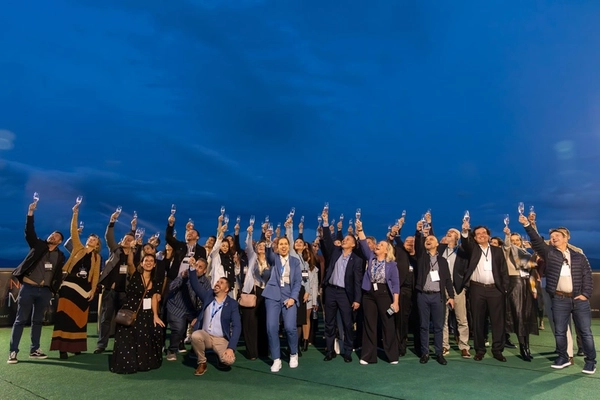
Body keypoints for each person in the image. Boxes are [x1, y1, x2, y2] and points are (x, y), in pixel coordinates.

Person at [521, 215, 596, 374]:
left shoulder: (579, 256)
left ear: (566, 238)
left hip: (578, 300)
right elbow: (537, 241)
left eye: (557, 236)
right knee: (560, 330)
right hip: (559, 298)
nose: (553, 238)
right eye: (551, 237)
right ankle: (563, 357)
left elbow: (588, 276)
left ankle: (590, 361)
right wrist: (528, 224)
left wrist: (586, 294)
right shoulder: (550, 254)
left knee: (585, 331)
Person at [8, 201, 65, 364]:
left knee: (38, 320)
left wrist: (53, 290)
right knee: (20, 320)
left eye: (56, 236)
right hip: (28, 288)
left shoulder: (60, 255)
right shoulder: (38, 244)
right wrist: (30, 213)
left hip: (44, 291)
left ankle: (35, 349)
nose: (53, 237)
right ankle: (13, 352)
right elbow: (29, 232)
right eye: (52, 234)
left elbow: (57, 274)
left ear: (60, 242)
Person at [50, 203, 101, 358]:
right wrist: (75, 213)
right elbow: (73, 230)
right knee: (64, 317)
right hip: (69, 285)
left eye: (94, 240)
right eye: (90, 238)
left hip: (84, 289)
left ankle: (76, 346)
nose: (91, 240)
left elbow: (95, 275)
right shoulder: (78, 248)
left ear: (97, 245)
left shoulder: (97, 257)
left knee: (79, 319)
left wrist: (92, 290)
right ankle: (62, 348)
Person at [458, 220, 509, 362]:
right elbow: (465, 243)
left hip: (495, 290)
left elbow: (504, 271)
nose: (481, 235)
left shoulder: (497, 251)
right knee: (478, 321)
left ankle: (497, 350)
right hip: (477, 289)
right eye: (478, 234)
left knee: (498, 322)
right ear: (474, 237)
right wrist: (465, 231)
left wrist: (504, 289)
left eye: (484, 233)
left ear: (488, 235)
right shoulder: (472, 248)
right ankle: (479, 350)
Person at [110, 253, 165, 374]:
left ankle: (142, 364)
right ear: (141, 263)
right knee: (128, 336)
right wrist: (133, 246)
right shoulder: (135, 274)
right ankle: (128, 363)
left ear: (155, 264)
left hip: (146, 312)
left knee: (148, 334)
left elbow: (154, 298)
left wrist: (155, 316)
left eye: (151, 260)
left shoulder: (156, 280)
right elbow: (130, 262)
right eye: (146, 260)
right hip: (131, 310)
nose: (149, 262)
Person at [355, 219, 400, 365]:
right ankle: (368, 356)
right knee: (369, 323)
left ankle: (392, 356)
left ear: (387, 250)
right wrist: (360, 229)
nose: (378, 246)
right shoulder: (371, 257)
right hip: (369, 294)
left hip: (385, 294)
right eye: (378, 244)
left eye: (381, 245)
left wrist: (396, 302)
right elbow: (363, 243)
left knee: (388, 323)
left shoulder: (392, 265)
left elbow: (396, 284)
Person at [320, 211, 363, 363]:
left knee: (347, 323)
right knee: (329, 322)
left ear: (353, 244)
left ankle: (348, 351)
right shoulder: (335, 252)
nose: (344, 240)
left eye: (347, 239)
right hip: (331, 290)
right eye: (344, 239)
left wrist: (357, 299)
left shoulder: (356, 260)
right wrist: (325, 222)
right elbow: (326, 240)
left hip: (345, 294)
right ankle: (330, 350)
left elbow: (357, 281)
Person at [188, 258, 241, 376]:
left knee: (228, 361)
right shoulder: (208, 295)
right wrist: (192, 268)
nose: (217, 283)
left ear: (227, 289)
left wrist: (231, 348)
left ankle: (218, 355)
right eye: (217, 281)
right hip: (206, 335)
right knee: (196, 336)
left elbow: (237, 326)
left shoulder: (232, 304)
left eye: (221, 283)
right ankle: (202, 362)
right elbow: (195, 285)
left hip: (221, 339)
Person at [94, 210, 136, 354]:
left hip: (124, 291)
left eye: (130, 240)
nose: (127, 241)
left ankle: (120, 345)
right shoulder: (115, 250)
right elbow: (108, 237)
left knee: (122, 319)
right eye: (125, 239)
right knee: (106, 318)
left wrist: (133, 229)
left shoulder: (134, 255)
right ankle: (101, 345)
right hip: (110, 290)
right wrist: (112, 221)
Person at [262, 229, 302, 372]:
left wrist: (293, 297)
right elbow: (268, 256)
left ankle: (293, 354)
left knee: (290, 327)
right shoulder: (275, 259)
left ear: (289, 246)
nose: (283, 246)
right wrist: (267, 241)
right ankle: (276, 359)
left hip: (289, 294)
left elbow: (298, 281)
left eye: (286, 244)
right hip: (272, 295)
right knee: (271, 327)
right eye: (281, 244)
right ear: (277, 247)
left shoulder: (295, 262)